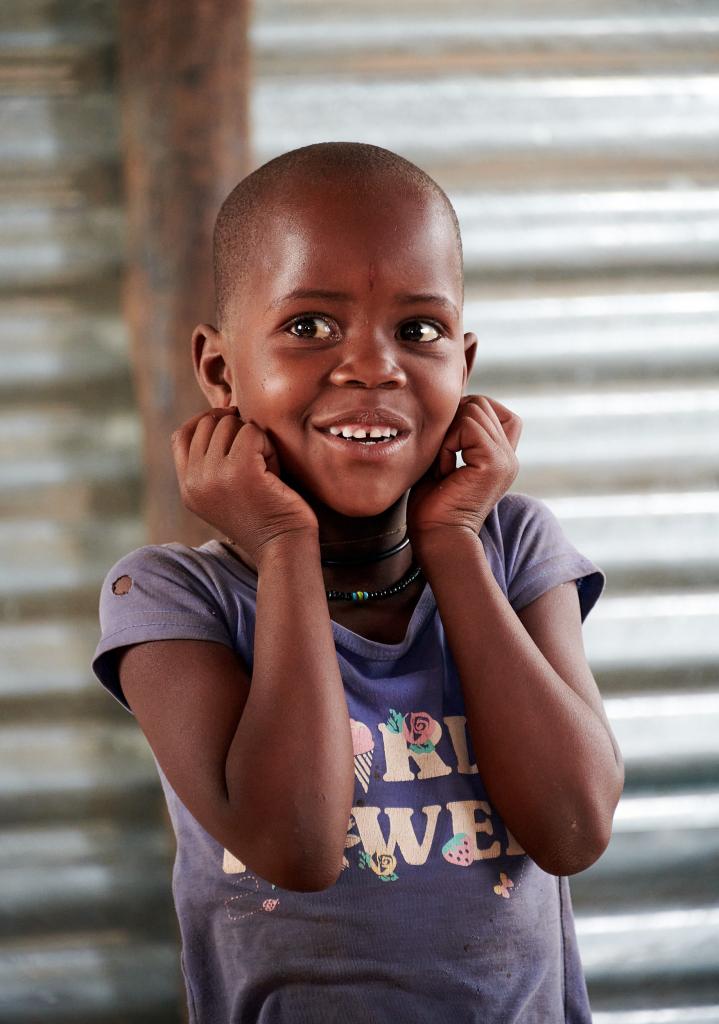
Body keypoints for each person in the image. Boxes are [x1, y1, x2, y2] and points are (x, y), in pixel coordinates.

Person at [92, 141, 624, 1024]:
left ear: (463, 360)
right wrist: (280, 542)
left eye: (418, 330)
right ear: (220, 370)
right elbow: (296, 846)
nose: (372, 367)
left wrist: (451, 538)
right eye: (308, 326)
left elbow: (571, 828)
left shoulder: (513, 546)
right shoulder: (168, 601)